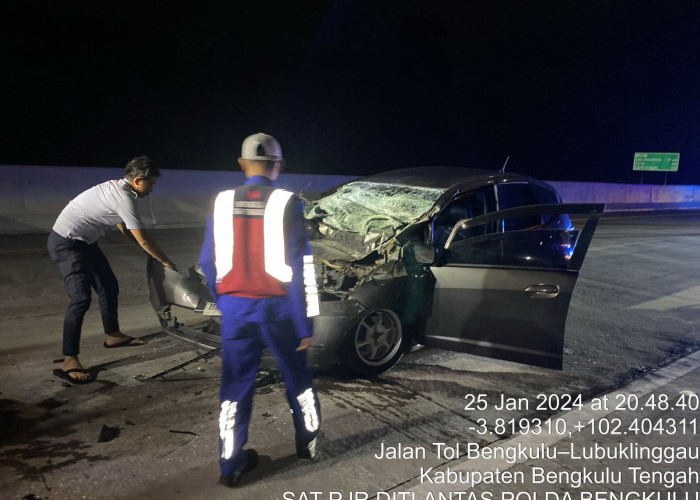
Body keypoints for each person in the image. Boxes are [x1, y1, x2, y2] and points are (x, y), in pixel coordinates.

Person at [198, 133, 321, 487]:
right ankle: (309, 443)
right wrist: (306, 321)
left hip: (236, 311)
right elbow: (301, 266)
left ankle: (230, 465)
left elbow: (207, 260)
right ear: (278, 165)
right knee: (298, 381)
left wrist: (225, 301)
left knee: (235, 389)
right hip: (280, 312)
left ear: (241, 164)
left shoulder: (220, 201)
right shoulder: (287, 202)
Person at [47, 156, 177, 384]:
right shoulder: (124, 197)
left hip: (85, 243)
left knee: (108, 285)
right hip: (66, 243)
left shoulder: (119, 189)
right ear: (138, 180)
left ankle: (113, 335)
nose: (152, 189)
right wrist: (165, 261)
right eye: (151, 183)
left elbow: (124, 226)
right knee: (80, 299)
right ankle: (69, 358)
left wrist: (145, 249)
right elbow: (142, 237)